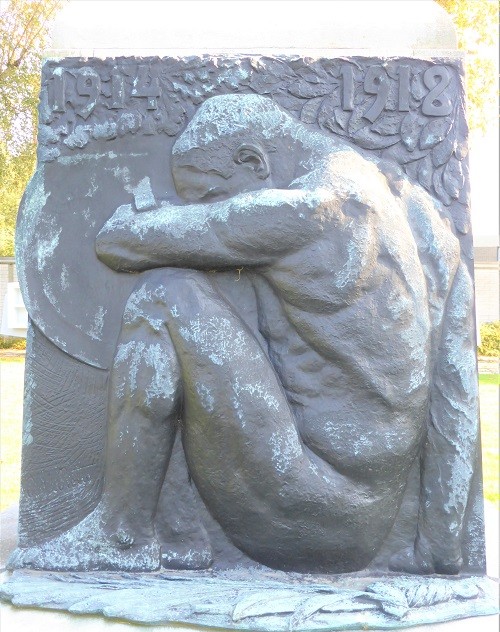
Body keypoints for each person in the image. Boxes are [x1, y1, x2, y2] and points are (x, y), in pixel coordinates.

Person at [15, 94, 478, 574]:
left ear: (253, 161)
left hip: (301, 513)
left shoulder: (307, 210)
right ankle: (180, 533)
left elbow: (119, 242)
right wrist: (440, 544)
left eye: (210, 196)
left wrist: (149, 216)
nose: (209, 208)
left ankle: (122, 534)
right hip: (367, 526)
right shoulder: (423, 219)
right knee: (212, 307)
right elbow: (457, 392)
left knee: (165, 296)